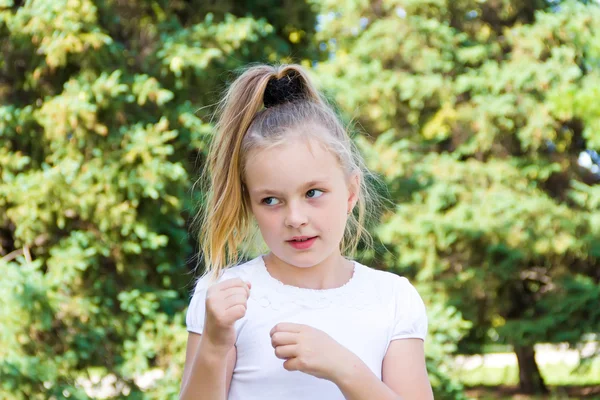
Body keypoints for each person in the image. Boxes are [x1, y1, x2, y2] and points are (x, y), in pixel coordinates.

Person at [179, 63, 433, 400]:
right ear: (250, 205)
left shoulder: (393, 300)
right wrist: (213, 345)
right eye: (271, 200)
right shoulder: (223, 296)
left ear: (351, 192)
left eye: (312, 193)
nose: (295, 218)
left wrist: (344, 367)